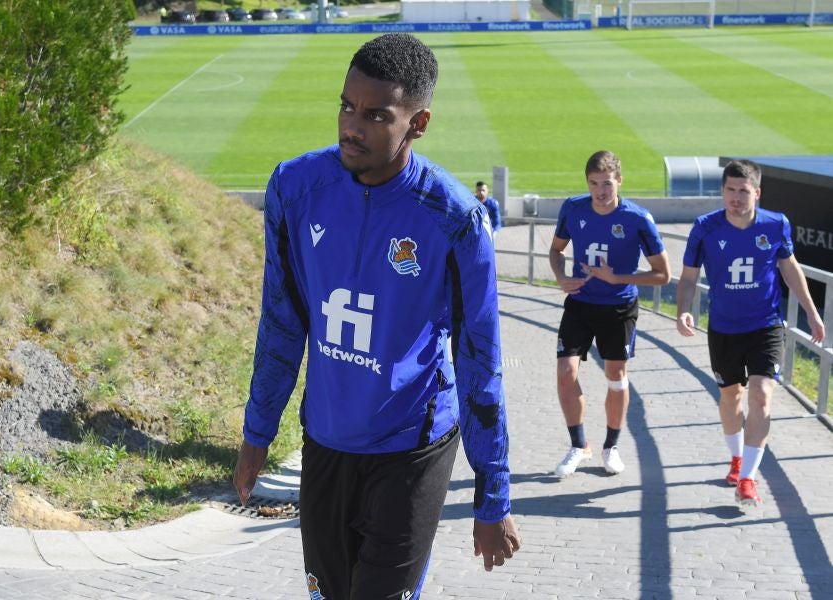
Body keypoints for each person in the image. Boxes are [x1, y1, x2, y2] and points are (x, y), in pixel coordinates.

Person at [233, 33, 520, 600]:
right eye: (345, 105)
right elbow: (281, 323)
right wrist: (256, 434)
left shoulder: (455, 219)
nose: (351, 126)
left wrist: (494, 497)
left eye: (375, 115)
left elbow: (480, 361)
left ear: (419, 123)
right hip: (327, 441)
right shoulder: (294, 189)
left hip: (411, 448)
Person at [676, 159, 824, 507]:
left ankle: (747, 479)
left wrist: (812, 313)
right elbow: (687, 276)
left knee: (760, 394)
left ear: (756, 192)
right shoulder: (705, 228)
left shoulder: (776, 224)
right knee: (731, 397)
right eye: (730, 190)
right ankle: (736, 457)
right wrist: (684, 310)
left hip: (766, 325)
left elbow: (790, 268)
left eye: (744, 191)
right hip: (724, 327)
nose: (736, 198)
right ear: (722, 191)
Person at [548, 150, 671, 478]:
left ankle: (611, 447)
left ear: (619, 181)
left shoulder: (637, 218)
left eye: (606, 184)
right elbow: (556, 250)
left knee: (615, 377)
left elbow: (662, 274)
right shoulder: (573, 208)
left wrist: (618, 278)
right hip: (580, 303)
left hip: (618, 308)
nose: (600, 191)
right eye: (593, 184)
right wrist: (562, 278)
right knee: (565, 372)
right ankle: (578, 445)